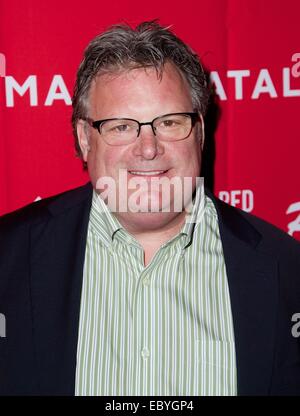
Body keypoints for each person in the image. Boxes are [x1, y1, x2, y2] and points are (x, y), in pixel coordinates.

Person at [0, 21, 300, 396]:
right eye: (122, 126)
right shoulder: (8, 258)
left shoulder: (286, 271)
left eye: (170, 122)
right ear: (84, 138)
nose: (148, 148)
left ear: (201, 132)